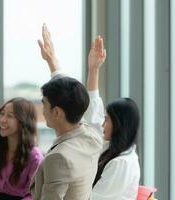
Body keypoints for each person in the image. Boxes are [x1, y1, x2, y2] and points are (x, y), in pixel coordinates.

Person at [30, 24, 104, 200]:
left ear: (57, 112)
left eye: (44, 103)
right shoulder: (92, 136)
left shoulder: (59, 158)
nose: (42, 109)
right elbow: (86, 101)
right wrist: (52, 62)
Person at [0, 34, 43, 200]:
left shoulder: (34, 156)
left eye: (10, 116)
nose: (3, 120)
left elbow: (37, 195)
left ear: (23, 122)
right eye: (3, 114)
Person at [86, 36, 140, 200]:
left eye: (107, 120)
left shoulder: (121, 162)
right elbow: (93, 115)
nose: (102, 124)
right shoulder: (115, 151)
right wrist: (93, 70)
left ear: (119, 124)